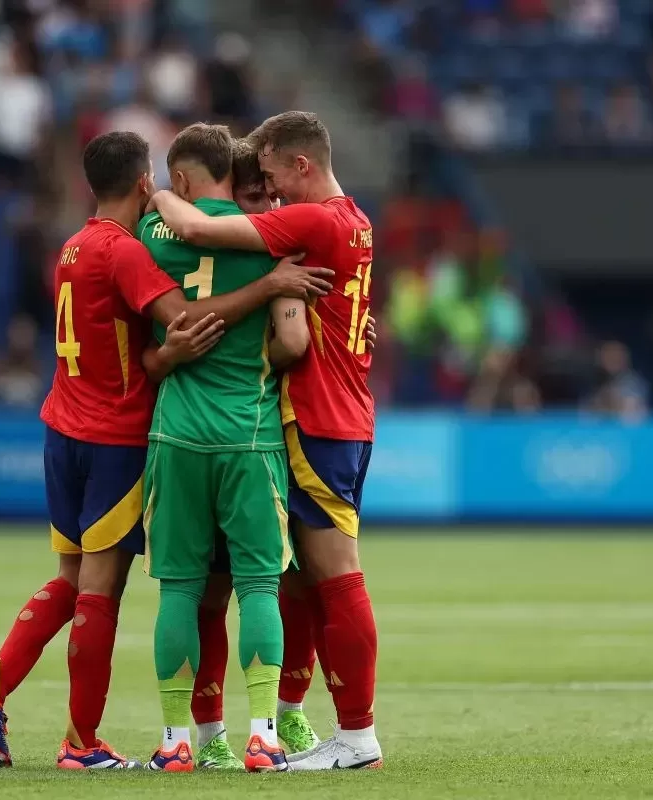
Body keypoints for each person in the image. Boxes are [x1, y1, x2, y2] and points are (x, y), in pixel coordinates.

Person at [0, 130, 333, 770]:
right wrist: (269, 289)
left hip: (63, 427)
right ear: (142, 183)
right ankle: (82, 744)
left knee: (73, 584)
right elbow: (187, 322)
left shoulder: (73, 249)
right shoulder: (131, 253)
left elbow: (121, 338)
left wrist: (158, 354)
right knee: (111, 593)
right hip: (119, 435)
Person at [152, 111, 382, 770]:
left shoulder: (312, 222)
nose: (271, 189)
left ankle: (358, 736)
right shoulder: (358, 221)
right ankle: (306, 722)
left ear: (300, 162)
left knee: (334, 575)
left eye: (275, 173)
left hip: (315, 417)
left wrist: (160, 192)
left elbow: (194, 227)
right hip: (348, 414)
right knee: (302, 583)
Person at [137, 124, 309, 774]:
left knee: (180, 591)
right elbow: (294, 344)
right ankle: (263, 734)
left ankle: (177, 740)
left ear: (180, 180)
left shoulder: (149, 238)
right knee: (261, 585)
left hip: (176, 433)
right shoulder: (268, 241)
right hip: (249, 432)